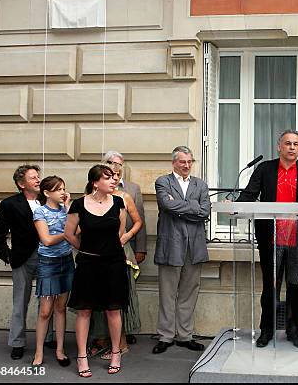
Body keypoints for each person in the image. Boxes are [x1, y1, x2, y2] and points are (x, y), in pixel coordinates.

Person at [237, 130, 298, 348]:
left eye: (296, 144)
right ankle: (266, 331)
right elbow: (250, 193)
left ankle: (293, 331)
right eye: (288, 143)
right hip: (271, 237)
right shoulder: (265, 169)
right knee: (270, 287)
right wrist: (237, 206)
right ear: (279, 147)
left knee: (295, 286)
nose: (292, 147)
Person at [65, 164, 129, 377]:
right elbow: (69, 234)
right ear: (95, 182)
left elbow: (119, 233)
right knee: (84, 310)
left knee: (113, 309)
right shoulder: (79, 204)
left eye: (114, 178)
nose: (113, 181)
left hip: (113, 264)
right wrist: (85, 249)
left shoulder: (119, 202)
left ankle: (116, 353)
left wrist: (109, 249)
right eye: (108, 178)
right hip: (88, 265)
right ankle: (82, 357)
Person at [0, 164, 55, 360]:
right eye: (33, 178)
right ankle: (17, 342)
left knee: (47, 299)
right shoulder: (10, 204)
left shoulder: (48, 199)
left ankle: (47, 337)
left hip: (48, 256)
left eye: (38, 176)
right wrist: (7, 255)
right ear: (21, 184)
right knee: (20, 301)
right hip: (22, 258)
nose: (38, 180)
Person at [152, 146, 210, 354]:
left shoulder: (200, 184)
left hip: (194, 247)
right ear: (174, 163)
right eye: (182, 162)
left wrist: (181, 207)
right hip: (171, 245)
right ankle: (166, 336)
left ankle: (185, 336)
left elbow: (205, 212)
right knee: (167, 293)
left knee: (188, 293)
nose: (186, 166)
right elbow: (166, 206)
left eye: (189, 162)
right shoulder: (163, 182)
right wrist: (192, 206)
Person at [88, 151, 145, 359]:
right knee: (101, 300)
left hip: (121, 253)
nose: (115, 168)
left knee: (117, 300)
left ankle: (120, 345)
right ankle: (104, 340)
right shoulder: (93, 193)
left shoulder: (128, 193)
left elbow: (140, 221)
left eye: (118, 165)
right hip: (98, 254)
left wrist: (128, 238)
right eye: (110, 164)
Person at [31, 176, 74, 367]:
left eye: (64, 188)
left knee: (61, 308)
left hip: (66, 261)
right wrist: (67, 234)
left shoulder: (67, 211)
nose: (63, 192)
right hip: (48, 263)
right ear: (47, 193)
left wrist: (68, 208)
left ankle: (60, 350)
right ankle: (38, 352)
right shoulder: (40, 212)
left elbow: (78, 230)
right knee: (45, 311)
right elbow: (46, 240)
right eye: (58, 189)